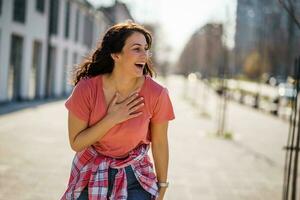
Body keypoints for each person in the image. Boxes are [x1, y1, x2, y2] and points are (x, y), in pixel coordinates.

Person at [60, 21, 175, 200]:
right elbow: (76, 143)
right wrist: (111, 118)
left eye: (146, 49)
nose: (144, 55)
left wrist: (162, 186)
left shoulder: (157, 94)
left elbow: (160, 143)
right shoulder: (87, 89)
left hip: (135, 177)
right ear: (116, 54)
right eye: (136, 49)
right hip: (91, 172)